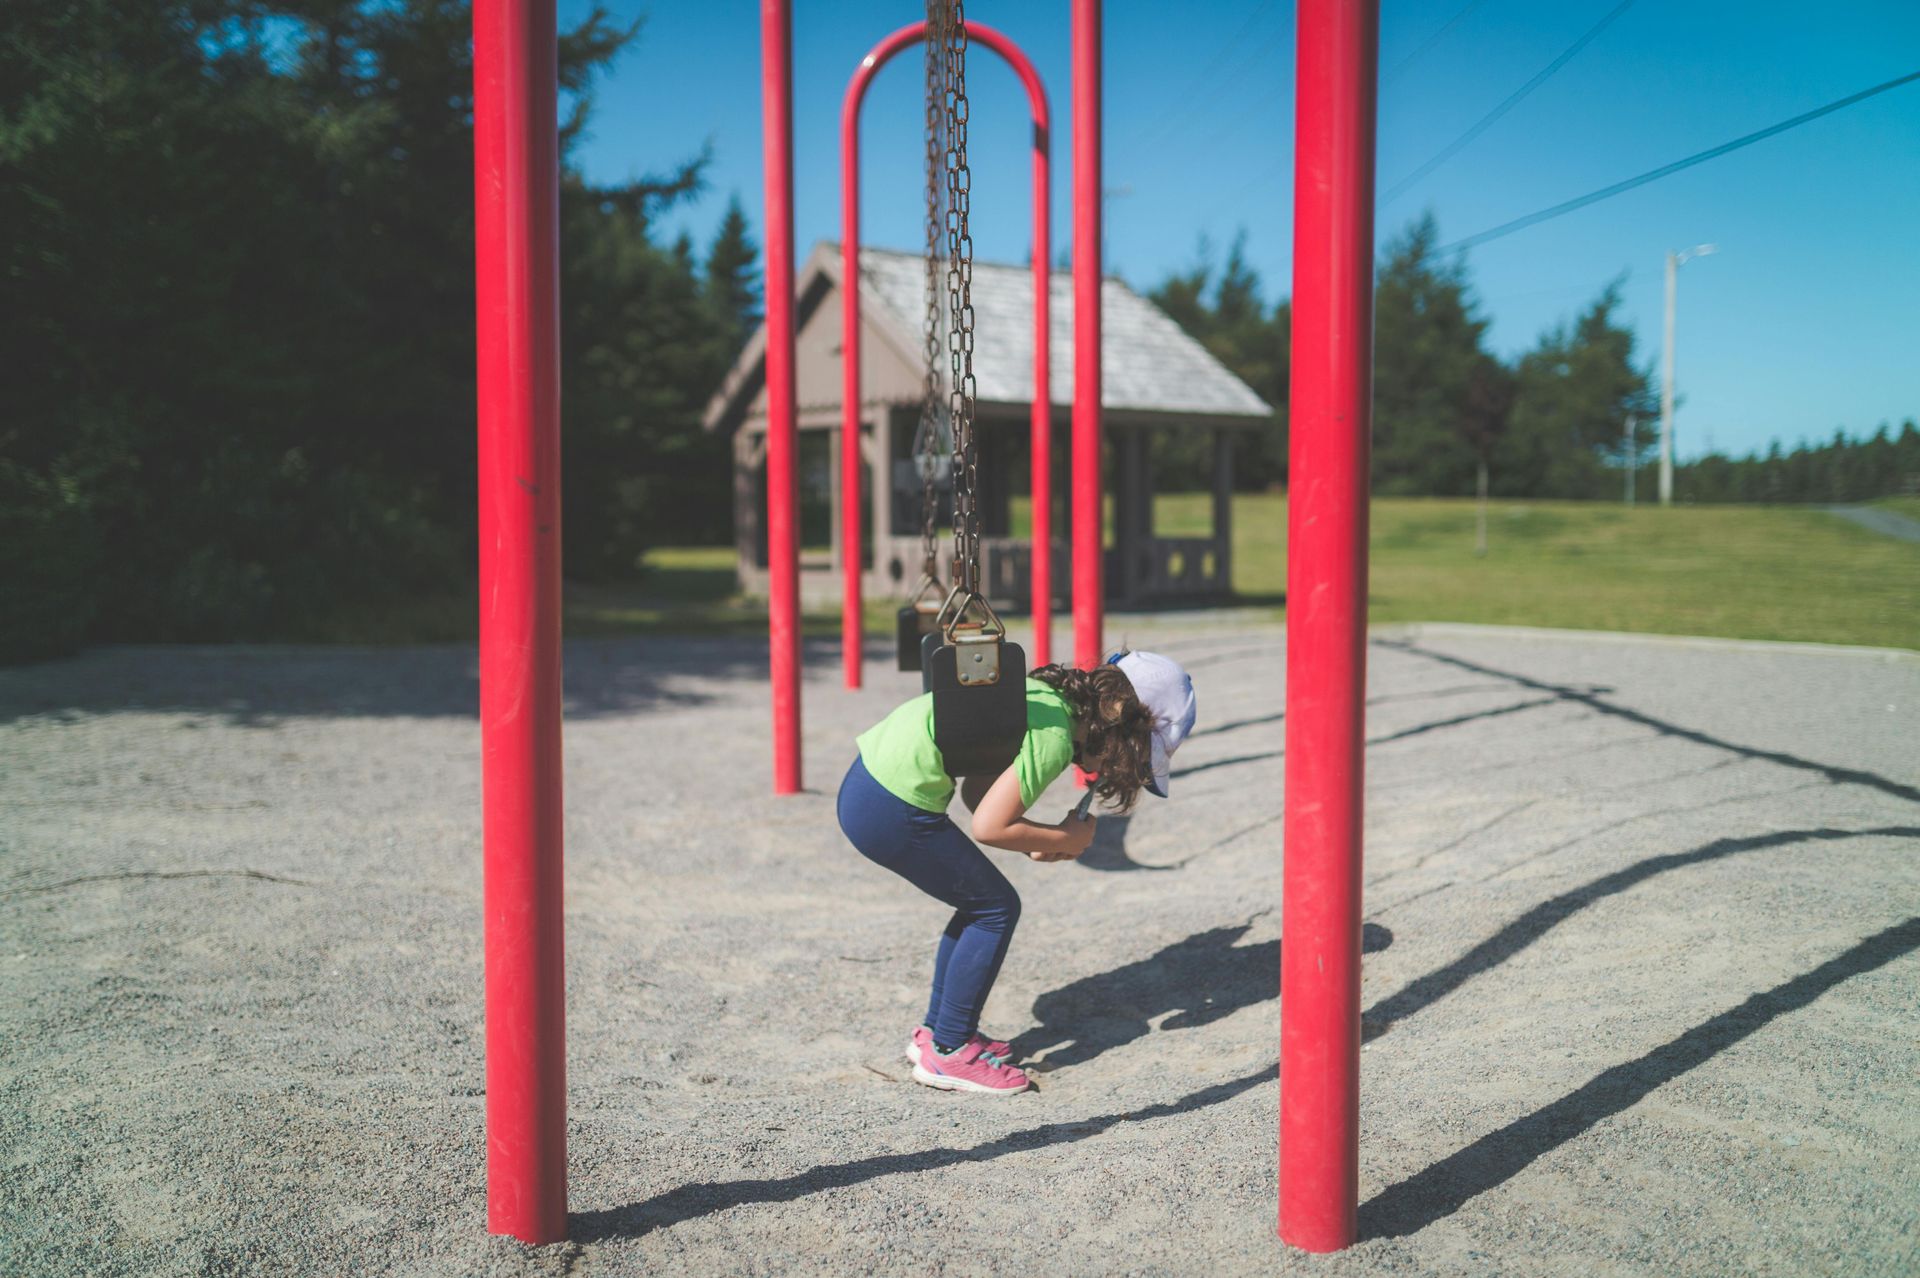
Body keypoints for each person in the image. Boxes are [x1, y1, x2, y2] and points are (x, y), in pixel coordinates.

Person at [836, 650, 1198, 1096]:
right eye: (1128, 758)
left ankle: (939, 1031)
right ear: (1119, 723)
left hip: (870, 787)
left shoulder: (1043, 699)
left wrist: (1038, 841)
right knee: (995, 909)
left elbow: (979, 791)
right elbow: (989, 826)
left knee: (978, 904)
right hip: (890, 807)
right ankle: (949, 1051)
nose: (1110, 770)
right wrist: (1067, 840)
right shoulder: (1055, 738)